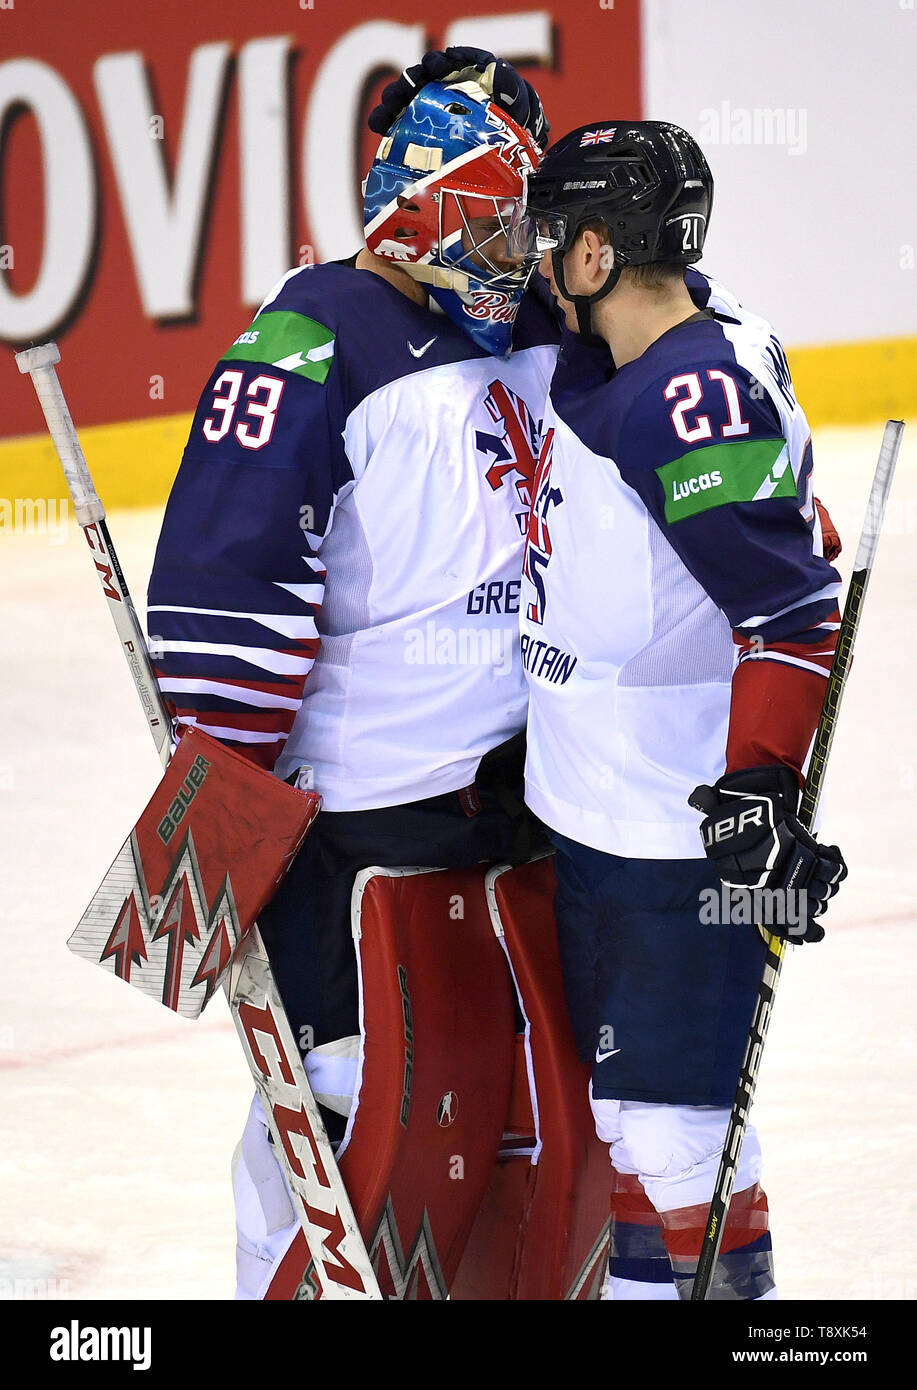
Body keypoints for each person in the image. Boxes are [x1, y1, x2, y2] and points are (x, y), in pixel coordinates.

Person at [145, 49, 559, 1299]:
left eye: (522, 224)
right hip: (358, 829)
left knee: (493, 1120)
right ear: (416, 206)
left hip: (521, 809)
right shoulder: (313, 334)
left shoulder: (534, 326)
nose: (513, 252)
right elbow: (227, 599)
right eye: (489, 219)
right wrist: (227, 805)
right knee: (337, 1122)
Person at [511, 120, 848, 1299]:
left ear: (597, 253)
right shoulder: (659, 343)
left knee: (671, 1138)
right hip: (589, 807)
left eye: (549, 238)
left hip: (666, 824)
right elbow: (800, 531)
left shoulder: (684, 396)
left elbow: (793, 608)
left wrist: (757, 785)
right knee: (632, 1122)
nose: (531, 258)